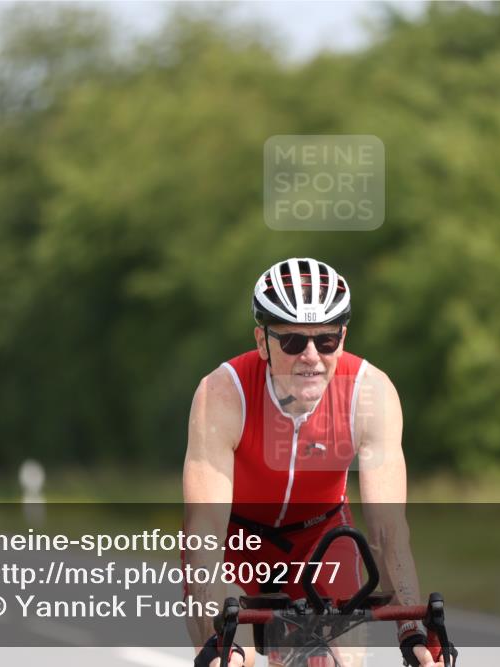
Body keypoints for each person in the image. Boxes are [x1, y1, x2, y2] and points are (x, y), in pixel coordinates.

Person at [183, 258, 444, 667]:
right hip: (236, 540)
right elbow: (204, 529)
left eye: (325, 341)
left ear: (343, 338)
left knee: (342, 660)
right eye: (291, 342)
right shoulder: (221, 393)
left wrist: (411, 629)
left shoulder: (369, 393)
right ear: (262, 340)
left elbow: (388, 530)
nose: (311, 357)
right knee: (233, 659)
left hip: (321, 539)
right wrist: (219, 633)